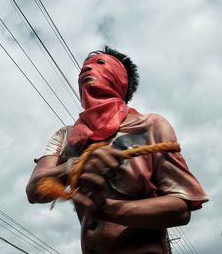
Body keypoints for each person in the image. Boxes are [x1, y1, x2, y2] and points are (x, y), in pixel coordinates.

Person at [26, 46, 208, 254]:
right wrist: (75, 165)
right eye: (83, 68)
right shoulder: (66, 136)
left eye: (99, 64)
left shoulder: (151, 125)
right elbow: (34, 190)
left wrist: (107, 209)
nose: (86, 70)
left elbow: (180, 209)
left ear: (120, 78)